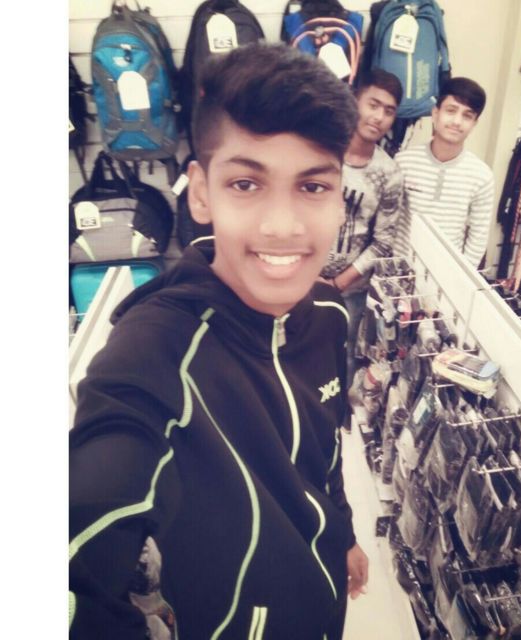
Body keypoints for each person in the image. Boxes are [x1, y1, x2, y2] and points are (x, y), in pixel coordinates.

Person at [69, 43, 369, 640]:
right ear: (201, 194)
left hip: (326, 610)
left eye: (312, 187)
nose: (282, 226)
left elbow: (327, 447)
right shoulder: (150, 358)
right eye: (246, 183)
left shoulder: (330, 312)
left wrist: (343, 532)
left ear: (340, 199)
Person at [320, 68, 404, 390]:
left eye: (389, 111)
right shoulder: (321, 152)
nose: (379, 117)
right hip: (300, 277)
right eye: (373, 104)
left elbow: (383, 242)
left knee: (344, 359)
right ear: (354, 101)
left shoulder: (389, 174)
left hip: (350, 290)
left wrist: (337, 284)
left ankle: (339, 414)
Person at [394, 77, 495, 268]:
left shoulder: (482, 176)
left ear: (474, 123)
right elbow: (388, 222)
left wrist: (458, 277)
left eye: (467, 116)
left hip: (444, 275)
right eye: (451, 110)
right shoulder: (403, 162)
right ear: (435, 113)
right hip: (397, 271)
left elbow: (478, 237)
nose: (457, 121)